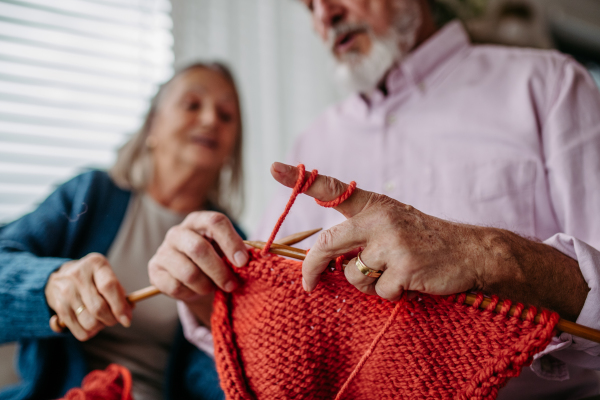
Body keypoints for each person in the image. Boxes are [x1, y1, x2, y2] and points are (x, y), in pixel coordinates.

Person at [171, 0, 600, 398]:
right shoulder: (313, 143)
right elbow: (272, 322)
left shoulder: (551, 85)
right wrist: (205, 292)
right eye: (310, 5)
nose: (326, 15)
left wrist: (489, 256)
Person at [0, 62, 244, 400]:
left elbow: (227, 386)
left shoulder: (234, 245)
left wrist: (210, 323)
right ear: (152, 125)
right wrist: (50, 285)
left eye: (226, 115)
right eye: (192, 104)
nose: (210, 120)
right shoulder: (89, 195)